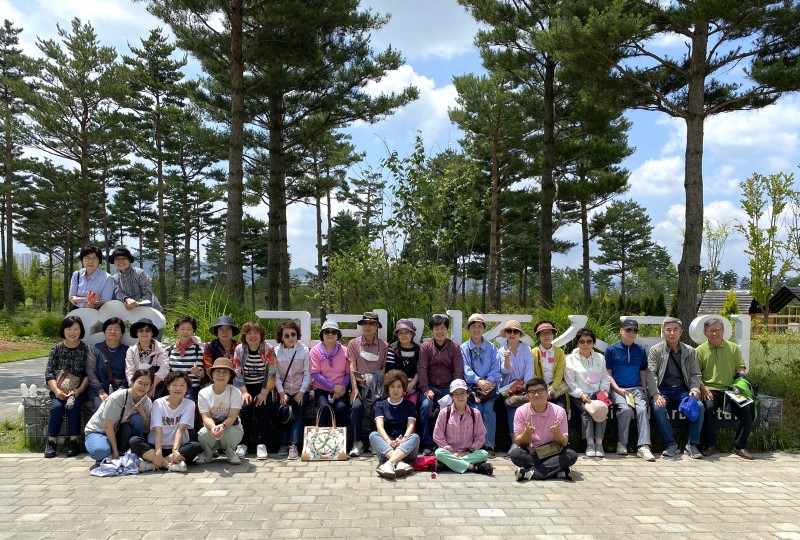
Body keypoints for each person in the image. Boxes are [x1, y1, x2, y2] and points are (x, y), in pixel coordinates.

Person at [697, 317, 755, 460]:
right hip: (710, 389)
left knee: (746, 409)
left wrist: (741, 378)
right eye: (710, 331)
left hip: (732, 389)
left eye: (717, 330)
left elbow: (740, 368)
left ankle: (739, 446)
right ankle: (710, 445)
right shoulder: (699, 350)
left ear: (723, 331)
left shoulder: (733, 347)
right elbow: (696, 375)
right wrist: (703, 389)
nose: (714, 333)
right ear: (705, 333)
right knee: (707, 408)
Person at [647, 317, 705, 459]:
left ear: (681, 332)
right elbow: (651, 374)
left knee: (699, 406)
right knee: (659, 408)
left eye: (675, 330)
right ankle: (670, 444)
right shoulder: (656, 350)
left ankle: (692, 444)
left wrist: (695, 390)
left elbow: (695, 374)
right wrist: (655, 394)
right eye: (668, 330)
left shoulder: (689, 351)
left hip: (682, 390)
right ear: (663, 332)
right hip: (663, 389)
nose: (671, 333)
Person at [130, 371, 204, 472]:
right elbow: (157, 430)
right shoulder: (158, 403)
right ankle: (170, 465)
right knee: (134, 441)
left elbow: (181, 430)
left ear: (187, 388)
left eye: (182, 385)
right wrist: (158, 452)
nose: (178, 388)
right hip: (155, 448)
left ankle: (153, 464)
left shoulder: (189, 404)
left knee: (196, 446)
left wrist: (175, 450)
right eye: (174, 385)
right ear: (168, 387)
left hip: (177, 448)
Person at [510, 378, 578, 481]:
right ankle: (558, 472)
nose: (537, 395)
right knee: (515, 454)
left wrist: (557, 433)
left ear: (547, 393)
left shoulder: (559, 411)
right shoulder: (521, 411)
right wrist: (527, 433)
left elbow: (564, 442)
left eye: (540, 391)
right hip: (532, 453)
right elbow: (519, 442)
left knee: (571, 455)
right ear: (527, 396)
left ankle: (528, 473)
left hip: (553, 453)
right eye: (532, 392)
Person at [605, 319, 654, 460]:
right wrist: (618, 389)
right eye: (628, 330)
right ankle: (622, 443)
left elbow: (642, 372)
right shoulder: (611, 350)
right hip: (617, 388)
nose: (632, 333)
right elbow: (608, 375)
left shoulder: (640, 350)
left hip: (637, 388)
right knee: (625, 410)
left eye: (635, 331)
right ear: (621, 331)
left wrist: (645, 390)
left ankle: (644, 447)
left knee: (642, 410)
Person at [43, 316, 90, 458]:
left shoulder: (86, 349)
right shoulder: (56, 348)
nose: (72, 332)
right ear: (63, 330)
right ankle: (51, 442)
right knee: (57, 407)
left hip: (78, 389)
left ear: (81, 331)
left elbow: (88, 374)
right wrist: (57, 392)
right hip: (58, 388)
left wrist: (79, 390)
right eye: (69, 329)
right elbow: (49, 373)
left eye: (76, 329)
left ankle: (73, 442)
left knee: (73, 407)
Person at [84, 369, 153, 462]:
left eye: (146, 384)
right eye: (139, 383)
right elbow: (108, 426)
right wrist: (115, 453)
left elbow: (147, 429)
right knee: (100, 451)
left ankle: (135, 450)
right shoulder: (118, 397)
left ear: (150, 387)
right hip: (99, 431)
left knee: (138, 419)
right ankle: (108, 448)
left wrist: (141, 411)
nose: (142, 387)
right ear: (132, 382)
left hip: (118, 431)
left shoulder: (146, 401)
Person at [418, 314, 463, 455]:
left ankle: (445, 443)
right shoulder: (425, 347)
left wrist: (453, 392)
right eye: (436, 328)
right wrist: (425, 389)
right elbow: (422, 369)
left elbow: (458, 371)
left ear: (447, 330)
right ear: (432, 331)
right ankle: (427, 442)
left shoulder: (454, 348)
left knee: (450, 409)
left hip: (448, 388)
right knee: (426, 406)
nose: (440, 331)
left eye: (443, 328)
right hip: (430, 387)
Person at [564, 328, 612, 458]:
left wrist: (604, 392)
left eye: (589, 341)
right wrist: (581, 394)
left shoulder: (600, 357)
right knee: (587, 410)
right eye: (582, 341)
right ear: (577, 343)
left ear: (593, 343)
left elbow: (605, 377)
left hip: (598, 392)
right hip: (579, 393)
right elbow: (570, 382)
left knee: (603, 408)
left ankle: (599, 443)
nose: (585, 344)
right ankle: (590, 443)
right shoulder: (570, 359)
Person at [232, 321, 277, 460]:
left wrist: (264, 393)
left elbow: (272, 372)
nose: (253, 336)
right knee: (245, 408)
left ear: (261, 335)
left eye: (256, 333)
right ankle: (242, 444)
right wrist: (244, 392)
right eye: (249, 333)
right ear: (244, 336)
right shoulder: (240, 349)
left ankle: (262, 444)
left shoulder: (268, 348)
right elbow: (237, 372)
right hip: (245, 386)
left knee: (262, 409)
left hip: (263, 386)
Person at [347, 311, 388, 457]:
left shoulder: (384, 346)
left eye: (371, 323)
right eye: (365, 323)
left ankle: (374, 442)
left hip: (377, 389)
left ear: (377, 326)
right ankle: (357, 442)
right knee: (356, 408)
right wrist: (355, 388)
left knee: (376, 408)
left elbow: (384, 368)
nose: (368, 326)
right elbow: (352, 366)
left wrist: (373, 379)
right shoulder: (353, 343)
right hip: (359, 387)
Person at [432, 379, 493, 476]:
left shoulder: (475, 413)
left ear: (468, 394)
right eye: (456, 394)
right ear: (451, 396)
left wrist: (469, 451)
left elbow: (480, 437)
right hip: (449, 452)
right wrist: (451, 451)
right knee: (439, 453)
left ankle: (447, 464)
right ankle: (473, 467)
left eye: (463, 393)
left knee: (484, 454)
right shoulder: (444, 412)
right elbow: (437, 436)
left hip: (469, 452)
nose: (460, 396)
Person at [461, 313, 502, 456]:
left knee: (489, 411)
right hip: (473, 388)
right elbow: (465, 368)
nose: (476, 329)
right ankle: (476, 445)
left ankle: (489, 444)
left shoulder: (492, 348)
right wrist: (478, 380)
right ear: (468, 329)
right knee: (476, 411)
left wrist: (489, 381)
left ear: (484, 329)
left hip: (489, 388)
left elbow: (497, 367)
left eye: (479, 326)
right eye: (473, 326)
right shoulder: (464, 348)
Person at [370, 370, 420, 479]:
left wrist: (404, 439)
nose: (396, 390)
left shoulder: (410, 405)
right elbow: (379, 427)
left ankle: (389, 464)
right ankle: (399, 463)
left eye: (399, 386)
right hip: (387, 448)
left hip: (405, 447)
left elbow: (411, 426)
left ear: (404, 388)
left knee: (415, 437)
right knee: (373, 435)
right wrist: (388, 441)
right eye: (392, 386)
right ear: (387, 388)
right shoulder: (380, 405)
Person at [274, 320, 310, 461]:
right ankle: (283, 444)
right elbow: (275, 375)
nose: (290, 338)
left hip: (300, 389)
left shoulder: (304, 350)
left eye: (293, 334)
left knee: (298, 412)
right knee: (283, 413)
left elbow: (307, 373)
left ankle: (293, 445)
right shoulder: (276, 352)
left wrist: (301, 392)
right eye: (287, 335)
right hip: (283, 389)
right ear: (281, 337)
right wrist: (281, 393)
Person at [197, 358, 244, 464]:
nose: (221, 375)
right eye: (218, 371)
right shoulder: (203, 393)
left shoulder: (235, 392)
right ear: (212, 374)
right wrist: (214, 428)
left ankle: (230, 452)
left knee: (231, 433)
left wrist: (222, 426)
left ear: (230, 376)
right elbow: (206, 417)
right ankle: (207, 454)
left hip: (230, 427)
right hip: (211, 428)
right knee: (203, 434)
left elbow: (232, 417)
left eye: (225, 372)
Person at [497, 320, 534, 444]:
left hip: (525, 386)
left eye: (515, 331)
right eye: (509, 331)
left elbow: (530, 368)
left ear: (519, 334)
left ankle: (529, 441)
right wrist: (507, 359)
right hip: (508, 389)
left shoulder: (526, 349)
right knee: (512, 407)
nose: (512, 334)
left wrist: (525, 385)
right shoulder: (501, 351)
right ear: (505, 334)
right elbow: (505, 371)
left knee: (528, 408)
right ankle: (515, 442)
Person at [309, 320, 350, 430]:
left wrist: (342, 388)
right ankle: (320, 441)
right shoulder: (315, 351)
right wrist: (332, 387)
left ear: (338, 335)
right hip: (322, 387)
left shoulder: (345, 350)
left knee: (341, 408)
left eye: (334, 332)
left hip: (341, 387)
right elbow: (315, 373)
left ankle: (340, 442)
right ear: (322, 334)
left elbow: (348, 373)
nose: (330, 334)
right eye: (327, 332)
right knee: (323, 407)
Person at [86, 317, 130, 409]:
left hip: (119, 390)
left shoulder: (128, 351)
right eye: (109, 329)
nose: (112, 332)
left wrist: (122, 389)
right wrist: (100, 391)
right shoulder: (94, 349)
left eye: (116, 329)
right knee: (102, 408)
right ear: (104, 331)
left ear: (122, 333)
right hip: (98, 390)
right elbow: (91, 372)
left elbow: (129, 373)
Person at [108, 246, 163, 312]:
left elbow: (148, 295)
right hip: (132, 315)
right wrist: (127, 299)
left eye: (124, 258)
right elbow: (118, 293)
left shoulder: (139, 273)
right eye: (117, 258)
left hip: (152, 311)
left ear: (129, 260)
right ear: (114, 261)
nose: (120, 261)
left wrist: (136, 303)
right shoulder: (115, 278)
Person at [124, 318, 169, 396]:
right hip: (137, 384)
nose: (144, 333)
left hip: (156, 384)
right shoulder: (131, 350)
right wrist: (134, 389)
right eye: (141, 331)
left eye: (147, 330)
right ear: (137, 333)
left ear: (152, 333)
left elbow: (164, 368)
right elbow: (130, 372)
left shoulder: (161, 348)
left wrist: (151, 386)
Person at [165, 316, 204, 402]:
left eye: (188, 329)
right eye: (182, 329)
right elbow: (166, 371)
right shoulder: (169, 350)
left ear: (193, 330)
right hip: (173, 388)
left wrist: (198, 372)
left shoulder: (198, 350)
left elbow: (202, 375)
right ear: (177, 329)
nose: (185, 332)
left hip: (191, 388)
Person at [531, 320, 569, 408]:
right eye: (543, 333)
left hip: (556, 386)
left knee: (561, 408)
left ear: (553, 335)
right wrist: (542, 388)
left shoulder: (559, 352)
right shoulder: (533, 352)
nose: (546, 336)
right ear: (539, 336)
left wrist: (553, 387)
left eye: (549, 333)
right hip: (539, 387)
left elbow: (559, 373)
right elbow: (534, 373)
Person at [385, 319, 420, 405]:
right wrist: (401, 388)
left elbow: (420, 369)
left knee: (411, 406)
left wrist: (410, 385)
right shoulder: (392, 348)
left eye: (406, 332)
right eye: (400, 333)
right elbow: (390, 370)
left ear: (412, 334)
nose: (403, 335)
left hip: (413, 387)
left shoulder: (419, 350)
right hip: (395, 388)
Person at [68, 245, 114, 309]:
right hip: (76, 312)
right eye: (87, 258)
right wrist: (86, 304)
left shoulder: (107, 278)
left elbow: (104, 302)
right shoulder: (77, 275)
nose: (90, 261)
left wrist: (79, 299)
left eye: (94, 258)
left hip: (97, 313)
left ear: (99, 261)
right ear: (82, 260)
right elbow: (72, 297)